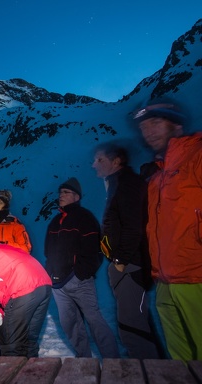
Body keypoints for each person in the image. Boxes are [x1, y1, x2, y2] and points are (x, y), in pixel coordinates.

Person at [132, 98, 202, 362]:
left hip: (196, 278)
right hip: (164, 283)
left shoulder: (197, 155)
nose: (148, 131)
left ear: (176, 125)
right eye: (143, 126)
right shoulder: (157, 178)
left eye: (155, 122)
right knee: (180, 363)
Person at [92, 143, 161, 359]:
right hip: (126, 263)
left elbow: (133, 225)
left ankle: (146, 371)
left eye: (99, 159)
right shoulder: (117, 183)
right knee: (133, 320)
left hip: (130, 264)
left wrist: (120, 259)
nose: (94, 164)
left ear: (116, 161)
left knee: (133, 326)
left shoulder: (127, 183)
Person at [44, 177, 120, 358]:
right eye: (60, 192)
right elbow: (48, 250)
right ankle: (83, 360)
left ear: (76, 197)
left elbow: (95, 250)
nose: (60, 195)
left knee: (94, 320)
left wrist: (81, 273)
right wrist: (50, 272)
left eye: (65, 192)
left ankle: (113, 361)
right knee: (70, 324)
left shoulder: (85, 218)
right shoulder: (56, 221)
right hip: (58, 284)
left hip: (79, 281)